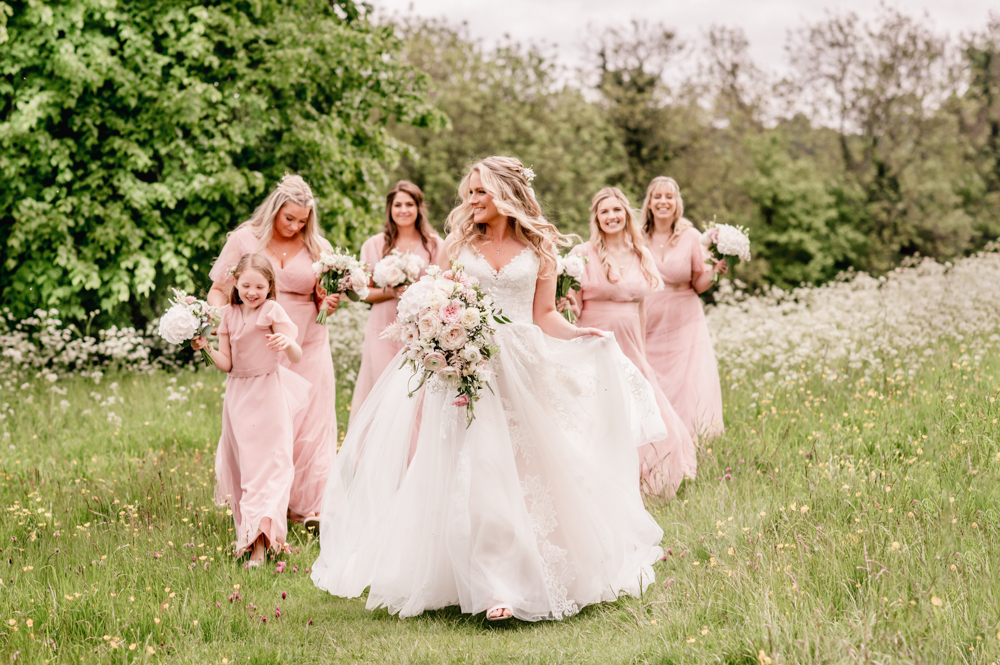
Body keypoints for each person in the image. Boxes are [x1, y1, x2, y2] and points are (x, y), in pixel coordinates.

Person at [311, 156, 667, 623]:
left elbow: (543, 315)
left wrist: (580, 335)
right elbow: (441, 301)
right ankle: (491, 585)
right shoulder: (457, 248)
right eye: (469, 193)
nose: (471, 201)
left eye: (480, 192)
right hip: (467, 366)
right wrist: (439, 338)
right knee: (476, 466)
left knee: (523, 470)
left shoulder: (541, 250)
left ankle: (520, 572)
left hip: (520, 367)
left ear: (505, 194)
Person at [207, 175, 337, 525]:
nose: (296, 226)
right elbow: (220, 289)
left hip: (306, 341)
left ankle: (308, 506)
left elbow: (323, 294)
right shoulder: (244, 239)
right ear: (275, 210)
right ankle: (262, 503)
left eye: (303, 220)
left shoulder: (318, 247)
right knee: (265, 425)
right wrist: (224, 322)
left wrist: (330, 300)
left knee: (311, 422)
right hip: (258, 350)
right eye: (289, 218)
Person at [564, 187, 696, 497]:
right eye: (604, 212)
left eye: (616, 210)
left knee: (650, 414)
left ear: (626, 214)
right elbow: (576, 308)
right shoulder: (581, 255)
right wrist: (568, 306)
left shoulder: (642, 254)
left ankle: (646, 480)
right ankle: (598, 480)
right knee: (599, 412)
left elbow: (641, 309)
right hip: (595, 343)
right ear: (596, 218)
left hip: (632, 345)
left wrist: (643, 351)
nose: (611, 217)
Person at [193, 253, 309, 567]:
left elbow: (296, 355)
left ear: (270, 287)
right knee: (245, 470)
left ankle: (259, 547)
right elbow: (227, 364)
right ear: (236, 284)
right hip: (239, 397)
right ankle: (250, 536)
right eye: (246, 285)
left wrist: (286, 342)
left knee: (269, 469)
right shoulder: (228, 315)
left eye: (259, 286)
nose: (252, 292)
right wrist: (206, 349)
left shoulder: (272, 310)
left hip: (268, 395)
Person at [350, 181, 444, 424]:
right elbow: (364, 293)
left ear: (419, 208)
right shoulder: (374, 244)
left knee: (418, 394)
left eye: (409, 204)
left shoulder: (434, 245)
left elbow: (443, 288)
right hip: (382, 327)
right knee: (384, 393)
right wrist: (391, 292)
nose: (403, 210)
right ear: (389, 209)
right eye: (397, 204)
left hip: (422, 330)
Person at [641, 176, 725, 441]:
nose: (663, 201)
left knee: (687, 382)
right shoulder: (638, 237)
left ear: (677, 203)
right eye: (658, 196)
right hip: (649, 320)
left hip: (685, 319)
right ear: (650, 203)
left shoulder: (690, 237)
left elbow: (698, 284)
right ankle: (660, 438)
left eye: (669, 196)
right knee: (652, 380)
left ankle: (692, 440)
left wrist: (715, 272)